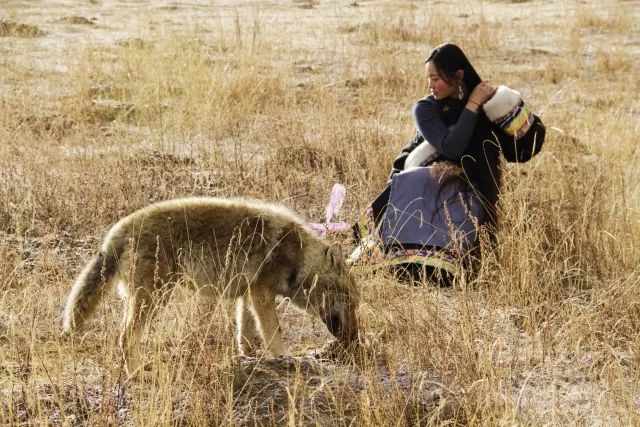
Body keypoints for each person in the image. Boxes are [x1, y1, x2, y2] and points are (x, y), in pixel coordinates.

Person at [350, 43, 545, 285]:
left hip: (471, 188)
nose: (430, 85)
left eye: (436, 78)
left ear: (459, 76)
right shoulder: (425, 108)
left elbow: (519, 153)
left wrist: (506, 105)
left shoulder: (485, 107)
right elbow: (451, 146)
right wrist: (473, 105)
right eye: (428, 78)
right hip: (420, 187)